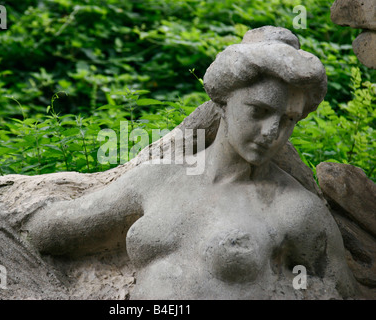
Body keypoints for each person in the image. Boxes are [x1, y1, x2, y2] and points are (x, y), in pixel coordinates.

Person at [24, 26, 358, 299]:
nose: (272, 131)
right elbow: (48, 232)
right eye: (258, 111)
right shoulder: (157, 179)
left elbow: (340, 293)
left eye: (288, 120)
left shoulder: (297, 210)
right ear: (223, 102)